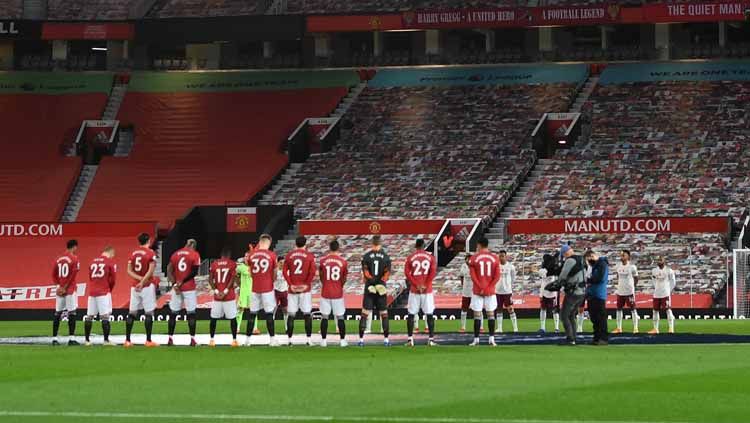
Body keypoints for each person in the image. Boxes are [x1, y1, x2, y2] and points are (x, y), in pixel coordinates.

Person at [125, 233, 159, 347]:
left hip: (134, 286)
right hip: (147, 286)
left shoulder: (133, 253)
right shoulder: (150, 253)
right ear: (148, 240)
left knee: (132, 313)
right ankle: (148, 340)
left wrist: (139, 280)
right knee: (149, 313)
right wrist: (143, 281)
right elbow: (150, 270)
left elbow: (128, 270)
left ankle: (127, 341)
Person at [166, 239, 201, 346]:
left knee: (173, 314)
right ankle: (192, 339)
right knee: (191, 313)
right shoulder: (195, 254)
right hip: (189, 287)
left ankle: (170, 339)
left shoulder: (176, 253)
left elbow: (169, 270)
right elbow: (194, 272)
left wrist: (174, 284)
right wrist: (183, 282)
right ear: (194, 246)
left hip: (177, 288)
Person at [283, 236, 316, 346]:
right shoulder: (310, 256)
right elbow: (312, 272)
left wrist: (290, 284)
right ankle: (308, 340)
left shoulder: (289, 255)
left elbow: (284, 271)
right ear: (305, 244)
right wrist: (306, 285)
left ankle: (289, 340)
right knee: (307, 314)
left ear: (295, 244)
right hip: (305, 290)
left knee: (291, 315)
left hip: (292, 289)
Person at [359, 235, 392, 347]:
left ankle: (361, 340)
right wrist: (379, 283)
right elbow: (387, 274)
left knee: (364, 314)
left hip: (369, 288)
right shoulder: (386, 257)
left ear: (372, 243)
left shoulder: (366, 256)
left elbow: (365, 273)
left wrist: (372, 283)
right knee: (384, 314)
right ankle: (386, 340)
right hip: (381, 289)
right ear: (380, 243)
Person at [404, 238, 438, 347]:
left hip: (415, 290)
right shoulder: (431, 257)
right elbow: (432, 273)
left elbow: (407, 273)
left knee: (411, 314)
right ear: (424, 246)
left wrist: (416, 284)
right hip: (427, 290)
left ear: (416, 246)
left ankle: (410, 340)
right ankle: (431, 339)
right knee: (429, 314)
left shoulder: (410, 257)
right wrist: (425, 284)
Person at [246, 234, 279, 346]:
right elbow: (275, 273)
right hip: (267, 287)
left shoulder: (252, 255)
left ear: (260, 242)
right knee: (269, 314)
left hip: (255, 287)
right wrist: (271, 281)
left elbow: (250, 271)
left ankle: (248, 340)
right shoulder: (272, 255)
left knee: (252, 314)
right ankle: (272, 340)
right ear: (269, 243)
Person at [468, 238, 501, 346]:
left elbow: (473, 276)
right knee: (490, 314)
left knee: (477, 314)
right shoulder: (495, 258)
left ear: (479, 245)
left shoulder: (474, 258)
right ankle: (491, 339)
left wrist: (480, 286)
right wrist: (489, 287)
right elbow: (497, 276)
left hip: (478, 290)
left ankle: (476, 339)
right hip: (490, 291)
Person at [84, 246, 116, 346]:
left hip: (92, 292)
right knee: (105, 317)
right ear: (110, 253)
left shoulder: (92, 261)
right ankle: (106, 341)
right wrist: (109, 289)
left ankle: (87, 340)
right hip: (103, 292)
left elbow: (90, 276)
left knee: (89, 316)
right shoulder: (110, 262)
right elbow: (113, 279)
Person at [318, 240, 348, 347]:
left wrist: (325, 283)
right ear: (338, 248)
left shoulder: (323, 261)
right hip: (337, 292)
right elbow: (344, 278)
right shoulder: (343, 262)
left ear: (329, 248)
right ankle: (343, 340)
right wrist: (339, 286)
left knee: (324, 317)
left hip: (325, 291)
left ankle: (323, 341)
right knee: (340, 317)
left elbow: (321, 276)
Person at [208, 247, 239, 347]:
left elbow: (210, 279)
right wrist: (225, 291)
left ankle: (212, 340)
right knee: (232, 318)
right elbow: (233, 278)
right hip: (228, 296)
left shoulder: (214, 264)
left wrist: (217, 291)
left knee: (213, 318)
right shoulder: (232, 263)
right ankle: (234, 340)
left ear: (221, 255)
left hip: (217, 296)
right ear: (229, 255)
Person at [52, 239, 81, 346]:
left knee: (57, 313)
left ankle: (54, 338)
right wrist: (65, 287)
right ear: (74, 247)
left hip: (60, 291)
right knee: (72, 313)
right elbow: (73, 275)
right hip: (69, 289)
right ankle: (71, 338)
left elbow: (53, 274)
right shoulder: (74, 258)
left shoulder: (58, 259)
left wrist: (58, 286)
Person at [557, 245, 585, 346]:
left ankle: (570, 339)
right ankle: (574, 337)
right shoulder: (581, 259)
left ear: (565, 253)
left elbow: (563, 275)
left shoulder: (570, 261)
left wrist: (559, 283)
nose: (564, 257)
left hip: (573, 292)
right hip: (582, 292)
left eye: (564, 255)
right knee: (571, 315)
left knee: (564, 315)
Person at [584, 250, 609, 346]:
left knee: (600, 318)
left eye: (589, 258)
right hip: (592, 294)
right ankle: (597, 337)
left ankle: (603, 338)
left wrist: (588, 280)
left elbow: (599, 278)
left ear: (593, 255)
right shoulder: (595, 266)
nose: (589, 261)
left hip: (598, 294)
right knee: (594, 318)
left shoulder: (602, 264)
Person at [614, 250, 640, 334]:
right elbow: (618, 277)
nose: (621, 257)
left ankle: (635, 328)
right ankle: (619, 328)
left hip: (629, 292)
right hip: (620, 291)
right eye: (621, 255)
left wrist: (632, 287)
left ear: (628, 256)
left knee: (633, 309)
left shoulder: (632, 267)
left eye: (623, 255)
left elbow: (636, 278)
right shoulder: (618, 266)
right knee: (618, 309)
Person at [650, 257, 676, 334]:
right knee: (655, 311)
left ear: (664, 261)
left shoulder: (669, 271)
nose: (659, 261)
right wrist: (656, 288)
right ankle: (655, 329)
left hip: (665, 293)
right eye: (658, 260)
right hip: (656, 294)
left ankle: (671, 328)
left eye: (660, 260)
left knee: (668, 310)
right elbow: (653, 280)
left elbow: (673, 282)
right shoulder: (654, 271)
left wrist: (669, 290)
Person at [495, 250, 518, 334]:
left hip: (507, 291)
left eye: (502, 256)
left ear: (506, 256)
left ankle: (515, 328)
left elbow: (513, 278)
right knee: (499, 309)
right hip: (497, 291)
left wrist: (508, 286)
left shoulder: (511, 267)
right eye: (499, 256)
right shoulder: (496, 266)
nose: (501, 258)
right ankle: (500, 328)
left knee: (510, 309)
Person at [236, 252, 258, 334]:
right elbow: (235, 274)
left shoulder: (255, 267)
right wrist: (238, 284)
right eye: (245, 256)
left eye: (248, 256)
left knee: (254, 310)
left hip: (253, 292)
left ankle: (255, 328)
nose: (246, 257)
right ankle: (237, 328)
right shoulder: (241, 267)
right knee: (240, 309)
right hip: (244, 292)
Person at [459, 254, 483, 333]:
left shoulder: (476, 266)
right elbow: (461, 276)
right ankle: (463, 327)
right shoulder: (463, 266)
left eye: (470, 259)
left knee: (478, 309)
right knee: (464, 309)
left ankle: (481, 327)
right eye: (467, 259)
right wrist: (463, 285)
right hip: (466, 292)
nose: (468, 260)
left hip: (474, 292)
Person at [538, 264, 560, 334]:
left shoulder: (554, 270)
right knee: (543, 309)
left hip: (552, 294)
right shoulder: (542, 270)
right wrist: (541, 294)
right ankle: (542, 327)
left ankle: (556, 328)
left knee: (555, 310)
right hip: (544, 293)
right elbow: (542, 281)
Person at [275, 257, 289, 331]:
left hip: (284, 292)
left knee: (285, 311)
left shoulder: (287, 271)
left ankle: (287, 328)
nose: (282, 264)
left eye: (284, 263)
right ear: (277, 263)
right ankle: (271, 329)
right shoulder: (275, 271)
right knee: (273, 310)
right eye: (281, 262)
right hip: (276, 291)